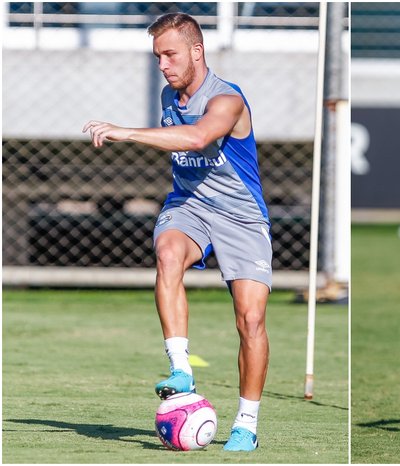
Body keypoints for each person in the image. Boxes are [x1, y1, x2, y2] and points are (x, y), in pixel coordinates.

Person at [83, 12, 271, 452]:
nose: (163, 65)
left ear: (196, 51)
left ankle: (246, 422)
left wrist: (125, 132)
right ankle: (181, 367)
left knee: (251, 319)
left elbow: (198, 138)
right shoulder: (171, 94)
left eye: (170, 54)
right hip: (190, 205)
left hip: (241, 215)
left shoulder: (227, 99)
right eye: (158, 57)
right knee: (168, 253)